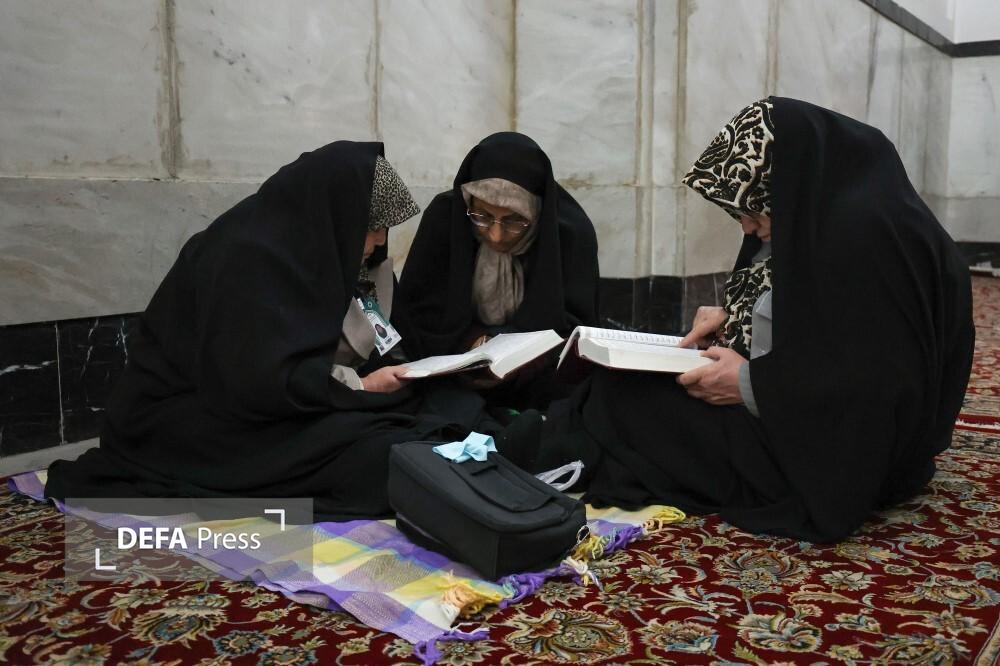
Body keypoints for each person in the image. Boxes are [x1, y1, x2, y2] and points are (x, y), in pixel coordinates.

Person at [536, 98, 974, 542]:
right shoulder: (839, 214)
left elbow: (873, 385)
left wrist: (749, 383)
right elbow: (826, 322)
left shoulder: (861, 239)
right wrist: (735, 318)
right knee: (622, 396)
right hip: (822, 425)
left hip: (834, 461)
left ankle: (534, 456)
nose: (746, 227)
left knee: (624, 403)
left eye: (753, 209)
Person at [44, 141, 509, 520]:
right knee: (375, 454)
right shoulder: (246, 258)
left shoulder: (325, 251)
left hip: (288, 401)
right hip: (196, 418)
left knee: (433, 411)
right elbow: (257, 383)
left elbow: (378, 335)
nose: (379, 241)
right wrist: (362, 386)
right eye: (372, 227)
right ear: (339, 215)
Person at [394, 132, 600, 410]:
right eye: (482, 216)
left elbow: (575, 326)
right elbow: (420, 311)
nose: (496, 235)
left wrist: (517, 362)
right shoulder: (446, 219)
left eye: (514, 220)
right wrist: (474, 345)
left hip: (539, 376)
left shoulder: (570, 234)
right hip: (454, 368)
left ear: (537, 213)